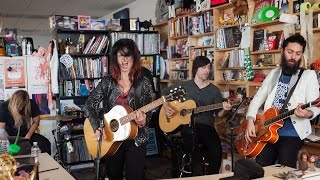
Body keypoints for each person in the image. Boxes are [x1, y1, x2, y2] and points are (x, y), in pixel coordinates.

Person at [245, 34, 320, 168]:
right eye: (290, 52)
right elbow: (257, 98)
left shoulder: (309, 75)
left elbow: (316, 106)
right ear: (282, 51)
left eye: (298, 53)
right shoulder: (274, 73)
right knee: (261, 169)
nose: (293, 57)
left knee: (285, 170)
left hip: (292, 134)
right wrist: (250, 120)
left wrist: (307, 113)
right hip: (266, 131)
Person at [83, 38, 153, 180]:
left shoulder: (144, 82)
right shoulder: (108, 82)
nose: (125, 59)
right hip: (112, 138)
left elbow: (149, 110)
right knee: (114, 176)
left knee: (136, 176)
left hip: (136, 138)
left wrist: (142, 121)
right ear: (116, 58)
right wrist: (97, 126)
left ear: (134, 57)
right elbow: (89, 104)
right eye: (121, 55)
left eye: (128, 55)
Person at [162, 56, 232, 176]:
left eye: (209, 68)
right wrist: (166, 106)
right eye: (203, 68)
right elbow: (165, 93)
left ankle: (213, 177)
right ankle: (197, 175)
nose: (207, 71)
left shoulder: (214, 90)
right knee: (193, 146)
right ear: (195, 69)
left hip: (207, 127)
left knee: (216, 149)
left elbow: (219, 114)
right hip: (187, 126)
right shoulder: (185, 87)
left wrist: (225, 110)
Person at [0, 90, 51, 155]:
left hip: (26, 134)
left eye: (23, 105)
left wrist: (27, 137)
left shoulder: (31, 104)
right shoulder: (4, 106)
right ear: (13, 102)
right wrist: (9, 142)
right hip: (9, 136)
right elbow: (1, 129)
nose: (21, 108)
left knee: (45, 143)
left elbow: (36, 122)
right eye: (19, 105)